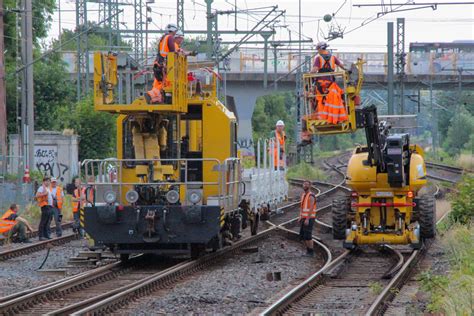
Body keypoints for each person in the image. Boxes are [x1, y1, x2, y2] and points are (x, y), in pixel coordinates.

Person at [310, 41, 348, 124]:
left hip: (321, 83)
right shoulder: (333, 57)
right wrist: (348, 70)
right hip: (330, 83)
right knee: (331, 100)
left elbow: (315, 70)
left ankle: (322, 118)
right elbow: (342, 66)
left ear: (320, 49)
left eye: (318, 49)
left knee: (320, 100)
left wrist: (309, 75)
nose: (318, 51)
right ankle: (332, 117)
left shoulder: (318, 58)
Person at [146, 23, 178, 104]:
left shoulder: (163, 38)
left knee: (162, 84)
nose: (175, 33)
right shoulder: (170, 37)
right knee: (165, 84)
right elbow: (172, 52)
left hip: (158, 64)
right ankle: (152, 96)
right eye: (175, 31)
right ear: (173, 30)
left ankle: (155, 98)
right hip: (163, 65)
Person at [299, 180, 317, 257]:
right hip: (304, 218)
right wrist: (300, 216)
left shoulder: (311, 196)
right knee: (303, 235)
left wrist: (307, 219)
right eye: (304, 184)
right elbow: (302, 207)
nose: (305, 185)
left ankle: (311, 252)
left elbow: (311, 208)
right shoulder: (303, 195)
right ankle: (308, 251)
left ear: (310, 186)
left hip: (309, 218)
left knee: (308, 236)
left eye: (307, 184)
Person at [36, 176, 54, 241]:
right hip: (45, 206)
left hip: (49, 206)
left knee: (47, 222)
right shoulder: (41, 188)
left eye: (49, 181)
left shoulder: (47, 188)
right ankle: (41, 236)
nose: (48, 182)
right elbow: (37, 195)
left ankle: (46, 235)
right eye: (47, 181)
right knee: (43, 221)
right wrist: (44, 194)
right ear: (44, 181)